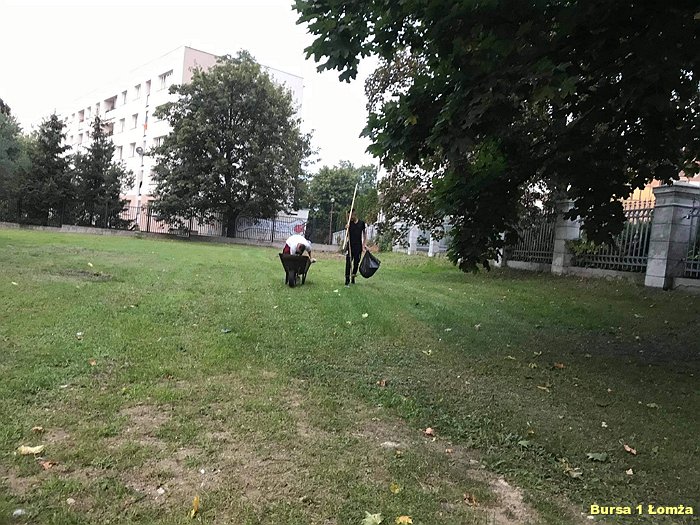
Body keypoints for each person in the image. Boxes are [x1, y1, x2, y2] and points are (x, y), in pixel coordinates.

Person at [344, 208, 366, 286]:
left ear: (354, 214)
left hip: (358, 247)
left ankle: (353, 277)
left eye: (350, 216)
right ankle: (347, 279)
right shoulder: (349, 224)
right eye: (348, 216)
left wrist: (364, 245)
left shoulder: (361, 223)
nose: (349, 217)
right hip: (350, 246)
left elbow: (364, 234)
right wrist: (346, 229)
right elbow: (347, 236)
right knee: (348, 262)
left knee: (356, 263)